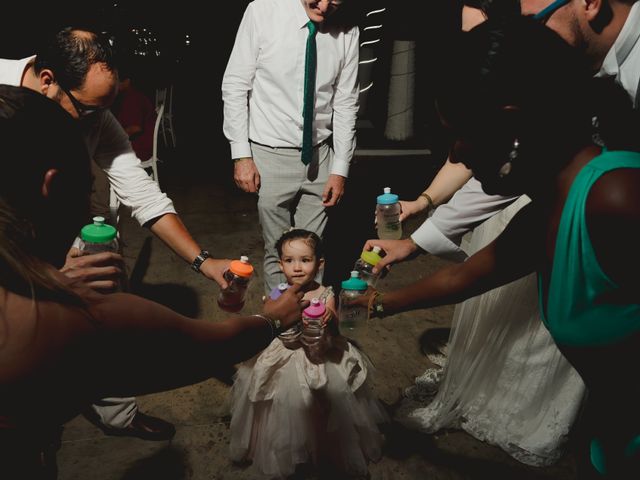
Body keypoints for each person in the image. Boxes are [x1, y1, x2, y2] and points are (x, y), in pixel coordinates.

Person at [357, 15, 640, 478]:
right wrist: (373, 303)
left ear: (511, 124)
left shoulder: (617, 198)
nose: (457, 155)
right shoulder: (553, 201)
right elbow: (471, 276)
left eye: (460, 135)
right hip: (605, 442)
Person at [0, 84, 307, 479]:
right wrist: (274, 319)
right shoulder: (77, 319)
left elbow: (143, 195)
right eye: (90, 186)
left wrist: (50, 278)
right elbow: (205, 351)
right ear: (54, 186)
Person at [0, 27, 232, 439]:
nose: (98, 119)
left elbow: (142, 194)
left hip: (61, 225)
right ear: (48, 80)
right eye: (87, 109)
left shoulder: (94, 113)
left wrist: (205, 261)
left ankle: (116, 412)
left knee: (100, 292)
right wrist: (42, 277)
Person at [222, 0, 360, 294]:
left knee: (311, 255)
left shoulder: (348, 29)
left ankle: (310, 320)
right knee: (277, 252)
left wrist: (340, 169)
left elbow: (346, 103)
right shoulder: (263, 11)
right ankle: (279, 325)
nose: (324, 7)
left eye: (335, 1)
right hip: (269, 155)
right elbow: (235, 85)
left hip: (321, 156)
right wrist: (241, 154)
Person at [229, 229, 387, 478]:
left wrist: (330, 317)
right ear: (280, 264)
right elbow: (269, 319)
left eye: (305, 260)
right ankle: (284, 448)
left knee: (321, 403)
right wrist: (270, 308)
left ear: (319, 263)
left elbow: (337, 327)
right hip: (285, 353)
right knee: (282, 404)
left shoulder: (325, 293)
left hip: (319, 354)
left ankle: (320, 448)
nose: (298, 267)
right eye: (289, 261)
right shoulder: (278, 292)